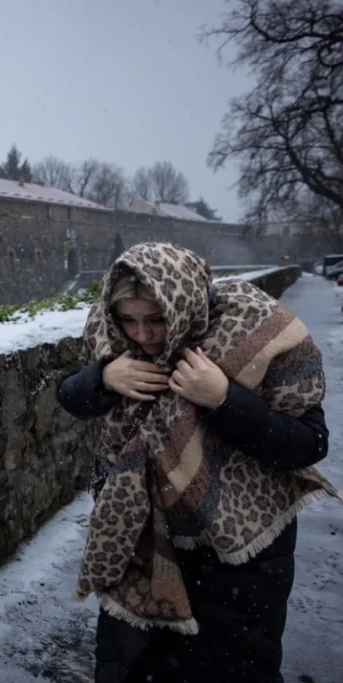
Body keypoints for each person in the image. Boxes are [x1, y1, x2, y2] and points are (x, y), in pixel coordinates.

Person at [57, 242, 340, 683]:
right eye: (128, 320)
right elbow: (71, 395)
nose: (143, 336)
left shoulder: (256, 329)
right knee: (135, 666)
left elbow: (308, 443)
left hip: (239, 558)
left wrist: (223, 399)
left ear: (185, 301)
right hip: (142, 537)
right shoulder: (110, 337)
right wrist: (104, 377)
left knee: (231, 670)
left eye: (155, 319)